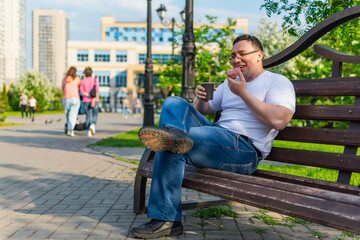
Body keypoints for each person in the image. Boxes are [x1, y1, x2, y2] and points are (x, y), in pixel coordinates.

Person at [131, 34, 296, 239]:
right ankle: (174, 138)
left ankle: (166, 220)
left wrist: (244, 93)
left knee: (172, 141)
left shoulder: (277, 82)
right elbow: (205, 110)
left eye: (242, 54)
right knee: (174, 104)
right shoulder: (230, 83)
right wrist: (199, 99)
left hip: (243, 150)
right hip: (217, 138)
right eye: (233, 55)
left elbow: (280, 120)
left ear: (259, 55)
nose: (236, 59)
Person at [80, 67, 99, 137]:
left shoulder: (83, 81)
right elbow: (97, 90)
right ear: (91, 73)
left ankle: (88, 131)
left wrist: (88, 95)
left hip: (86, 100)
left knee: (87, 116)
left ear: (85, 73)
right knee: (95, 114)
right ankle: (93, 125)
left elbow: (82, 91)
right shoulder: (95, 80)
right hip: (95, 100)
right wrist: (93, 99)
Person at [62, 66, 81, 137]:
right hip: (75, 99)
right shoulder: (77, 79)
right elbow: (80, 88)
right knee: (73, 115)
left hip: (66, 99)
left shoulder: (64, 79)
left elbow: (62, 88)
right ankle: (71, 130)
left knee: (67, 115)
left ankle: (69, 129)